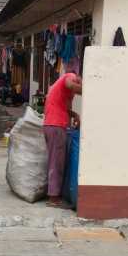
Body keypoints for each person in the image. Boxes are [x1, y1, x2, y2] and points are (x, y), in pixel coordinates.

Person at [43, 72, 82, 207]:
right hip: (56, 126)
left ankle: (54, 194)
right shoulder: (70, 76)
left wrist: (74, 114)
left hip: (52, 125)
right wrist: (90, 90)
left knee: (56, 160)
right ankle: (53, 198)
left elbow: (62, 106)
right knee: (56, 162)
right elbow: (70, 84)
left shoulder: (58, 86)